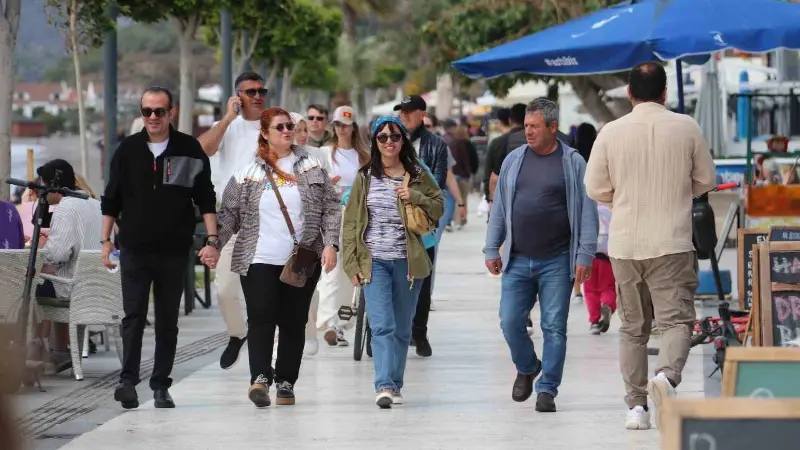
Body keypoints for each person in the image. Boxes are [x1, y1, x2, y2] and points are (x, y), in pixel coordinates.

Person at [584, 61, 716, 430]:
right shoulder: (686, 127)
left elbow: (594, 187)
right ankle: (666, 377)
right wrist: (677, 192)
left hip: (625, 243)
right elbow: (706, 179)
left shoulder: (610, 132)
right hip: (672, 240)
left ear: (629, 93)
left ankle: (636, 409)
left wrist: (621, 200)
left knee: (632, 327)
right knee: (676, 321)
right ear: (665, 92)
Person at [208, 107, 341, 408]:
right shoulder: (248, 173)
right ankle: (260, 378)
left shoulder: (311, 167)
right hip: (257, 258)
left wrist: (331, 244)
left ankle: (285, 382)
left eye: (290, 126)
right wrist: (215, 244)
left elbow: (331, 209)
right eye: (280, 127)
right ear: (265, 133)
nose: (287, 131)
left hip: (301, 258)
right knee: (260, 318)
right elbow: (229, 214)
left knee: (293, 322)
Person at [102, 86, 219, 410]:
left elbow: (205, 197)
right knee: (133, 316)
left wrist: (212, 239)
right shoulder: (127, 150)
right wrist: (105, 240)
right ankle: (127, 381)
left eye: (159, 111)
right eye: (146, 111)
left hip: (173, 249)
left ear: (172, 113)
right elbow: (111, 198)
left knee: (168, 319)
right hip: (135, 248)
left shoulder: (190, 149)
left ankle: (160, 385)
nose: (152, 117)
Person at [484, 97, 598, 413]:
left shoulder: (574, 163)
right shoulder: (513, 160)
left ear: (552, 127)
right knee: (509, 321)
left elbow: (587, 212)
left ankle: (547, 388)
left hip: (557, 260)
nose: (529, 132)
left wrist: (585, 255)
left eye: (535, 127)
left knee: (554, 326)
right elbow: (500, 208)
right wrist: (492, 246)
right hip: (518, 258)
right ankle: (527, 365)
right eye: (526, 126)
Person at [342, 115, 443, 408]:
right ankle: (384, 384)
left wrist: (414, 195)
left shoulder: (418, 173)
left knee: (401, 326)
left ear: (403, 140)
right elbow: (351, 223)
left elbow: (439, 205)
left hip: (408, 262)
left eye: (395, 136)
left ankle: (395, 384)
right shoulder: (365, 176)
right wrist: (351, 263)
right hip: (374, 261)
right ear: (374, 141)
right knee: (382, 324)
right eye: (382, 137)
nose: (389, 142)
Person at [198, 72, 268, 370]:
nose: (257, 96)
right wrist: (228, 118)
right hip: (232, 217)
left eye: (261, 90)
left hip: (268, 218)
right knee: (225, 289)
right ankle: (238, 334)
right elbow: (203, 149)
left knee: (265, 294)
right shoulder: (225, 127)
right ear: (238, 96)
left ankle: (266, 359)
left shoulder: (275, 124)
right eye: (250, 91)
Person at [395, 95, 463, 357]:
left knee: (422, 277)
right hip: (389, 219)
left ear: (422, 114)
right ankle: (380, 332)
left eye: (409, 111)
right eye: (401, 111)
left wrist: (414, 195)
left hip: (422, 220)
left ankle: (419, 331)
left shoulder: (436, 145)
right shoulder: (388, 139)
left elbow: (437, 185)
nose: (404, 115)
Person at [34, 159, 102, 372]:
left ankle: (36, 349)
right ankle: (60, 350)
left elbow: (57, 254)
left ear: (50, 186)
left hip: (74, 288)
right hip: (100, 285)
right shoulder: (95, 204)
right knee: (52, 278)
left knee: (28, 286)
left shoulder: (65, 208)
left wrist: (45, 245)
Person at [313, 106, 370, 349]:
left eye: (345, 124)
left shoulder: (365, 156)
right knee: (330, 268)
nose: (341, 129)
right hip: (332, 215)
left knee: (351, 272)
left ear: (353, 126)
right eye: (337, 124)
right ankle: (327, 322)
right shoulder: (324, 154)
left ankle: (342, 324)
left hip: (358, 216)